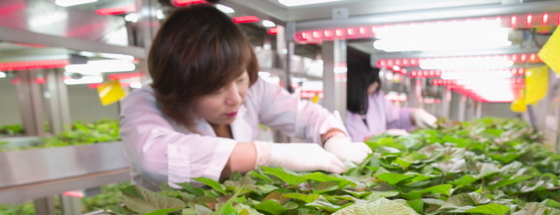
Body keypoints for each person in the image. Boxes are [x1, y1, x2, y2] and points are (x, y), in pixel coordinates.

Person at [119, 4, 370, 191]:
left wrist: (334, 139)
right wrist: (266, 155)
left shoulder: (254, 89)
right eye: (216, 90)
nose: (235, 98)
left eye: (240, 79)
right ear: (179, 89)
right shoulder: (144, 104)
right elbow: (153, 157)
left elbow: (307, 116)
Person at [345, 50, 438, 142]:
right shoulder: (339, 105)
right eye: (370, 81)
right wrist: (378, 138)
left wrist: (413, 115)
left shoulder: (376, 98)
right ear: (354, 83)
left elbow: (395, 118)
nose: (376, 85)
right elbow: (344, 143)